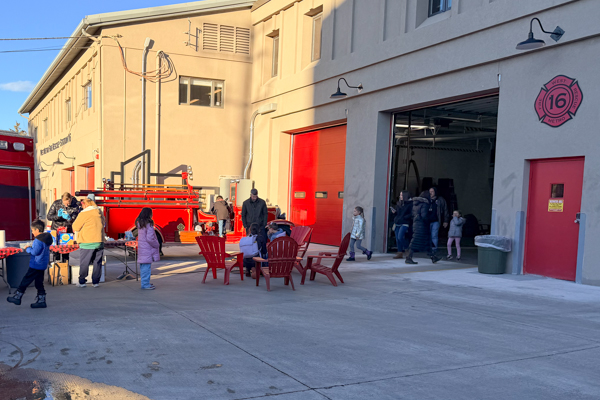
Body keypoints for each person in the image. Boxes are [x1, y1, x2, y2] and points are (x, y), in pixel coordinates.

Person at [7, 220, 53, 308]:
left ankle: (18, 296)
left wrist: (28, 249)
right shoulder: (46, 239)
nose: (32, 232)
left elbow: (35, 252)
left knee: (26, 280)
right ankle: (41, 300)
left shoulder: (38, 240)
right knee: (39, 283)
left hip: (36, 264)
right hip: (42, 264)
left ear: (37, 230)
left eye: (32, 230)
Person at [72, 197, 105, 288]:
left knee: (84, 263)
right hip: (99, 241)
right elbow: (103, 223)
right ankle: (96, 282)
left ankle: (82, 282)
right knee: (97, 262)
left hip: (87, 241)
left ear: (85, 204)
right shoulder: (99, 211)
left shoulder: (84, 213)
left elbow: (75, 227)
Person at [405, 192, 441, 265]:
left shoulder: (416, 204)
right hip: (422, 225)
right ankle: (408, 257)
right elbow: (424, 215)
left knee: (426, 241)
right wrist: (429, 219)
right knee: (416, 241)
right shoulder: (425, 204)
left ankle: (433, 257)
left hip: (416, 224)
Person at [136, 207, 160, 290]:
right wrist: (156, 244)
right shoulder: (149, 224)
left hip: (142, 249)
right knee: (147, 268)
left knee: (143, 267)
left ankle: (145, 282)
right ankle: (145, 284)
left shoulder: (140, 224)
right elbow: (150, 238)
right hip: (147, 249)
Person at [390, 191, 412, 259]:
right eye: (400, 195)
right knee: (397, 239)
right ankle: (399, 252)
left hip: (405, 222)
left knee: (400, 237)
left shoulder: (410, 204)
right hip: (397, 222)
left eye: (401, 195)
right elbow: (398, 213)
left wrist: (405, 217)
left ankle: (407, 249)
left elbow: (411, 213)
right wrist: (394, 212)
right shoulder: (399, 203)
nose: (400, 196)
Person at [429, 187, 450, 252]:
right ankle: (428, 248)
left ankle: (434, 249)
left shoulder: (440, 200)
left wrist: (446, 220)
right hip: (427, 221)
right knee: (428, 235)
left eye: (432, 191)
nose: (430, 193)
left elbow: (445, 210)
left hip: (436, 220)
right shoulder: (426, 199)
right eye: (430, 191)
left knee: (434, 235)